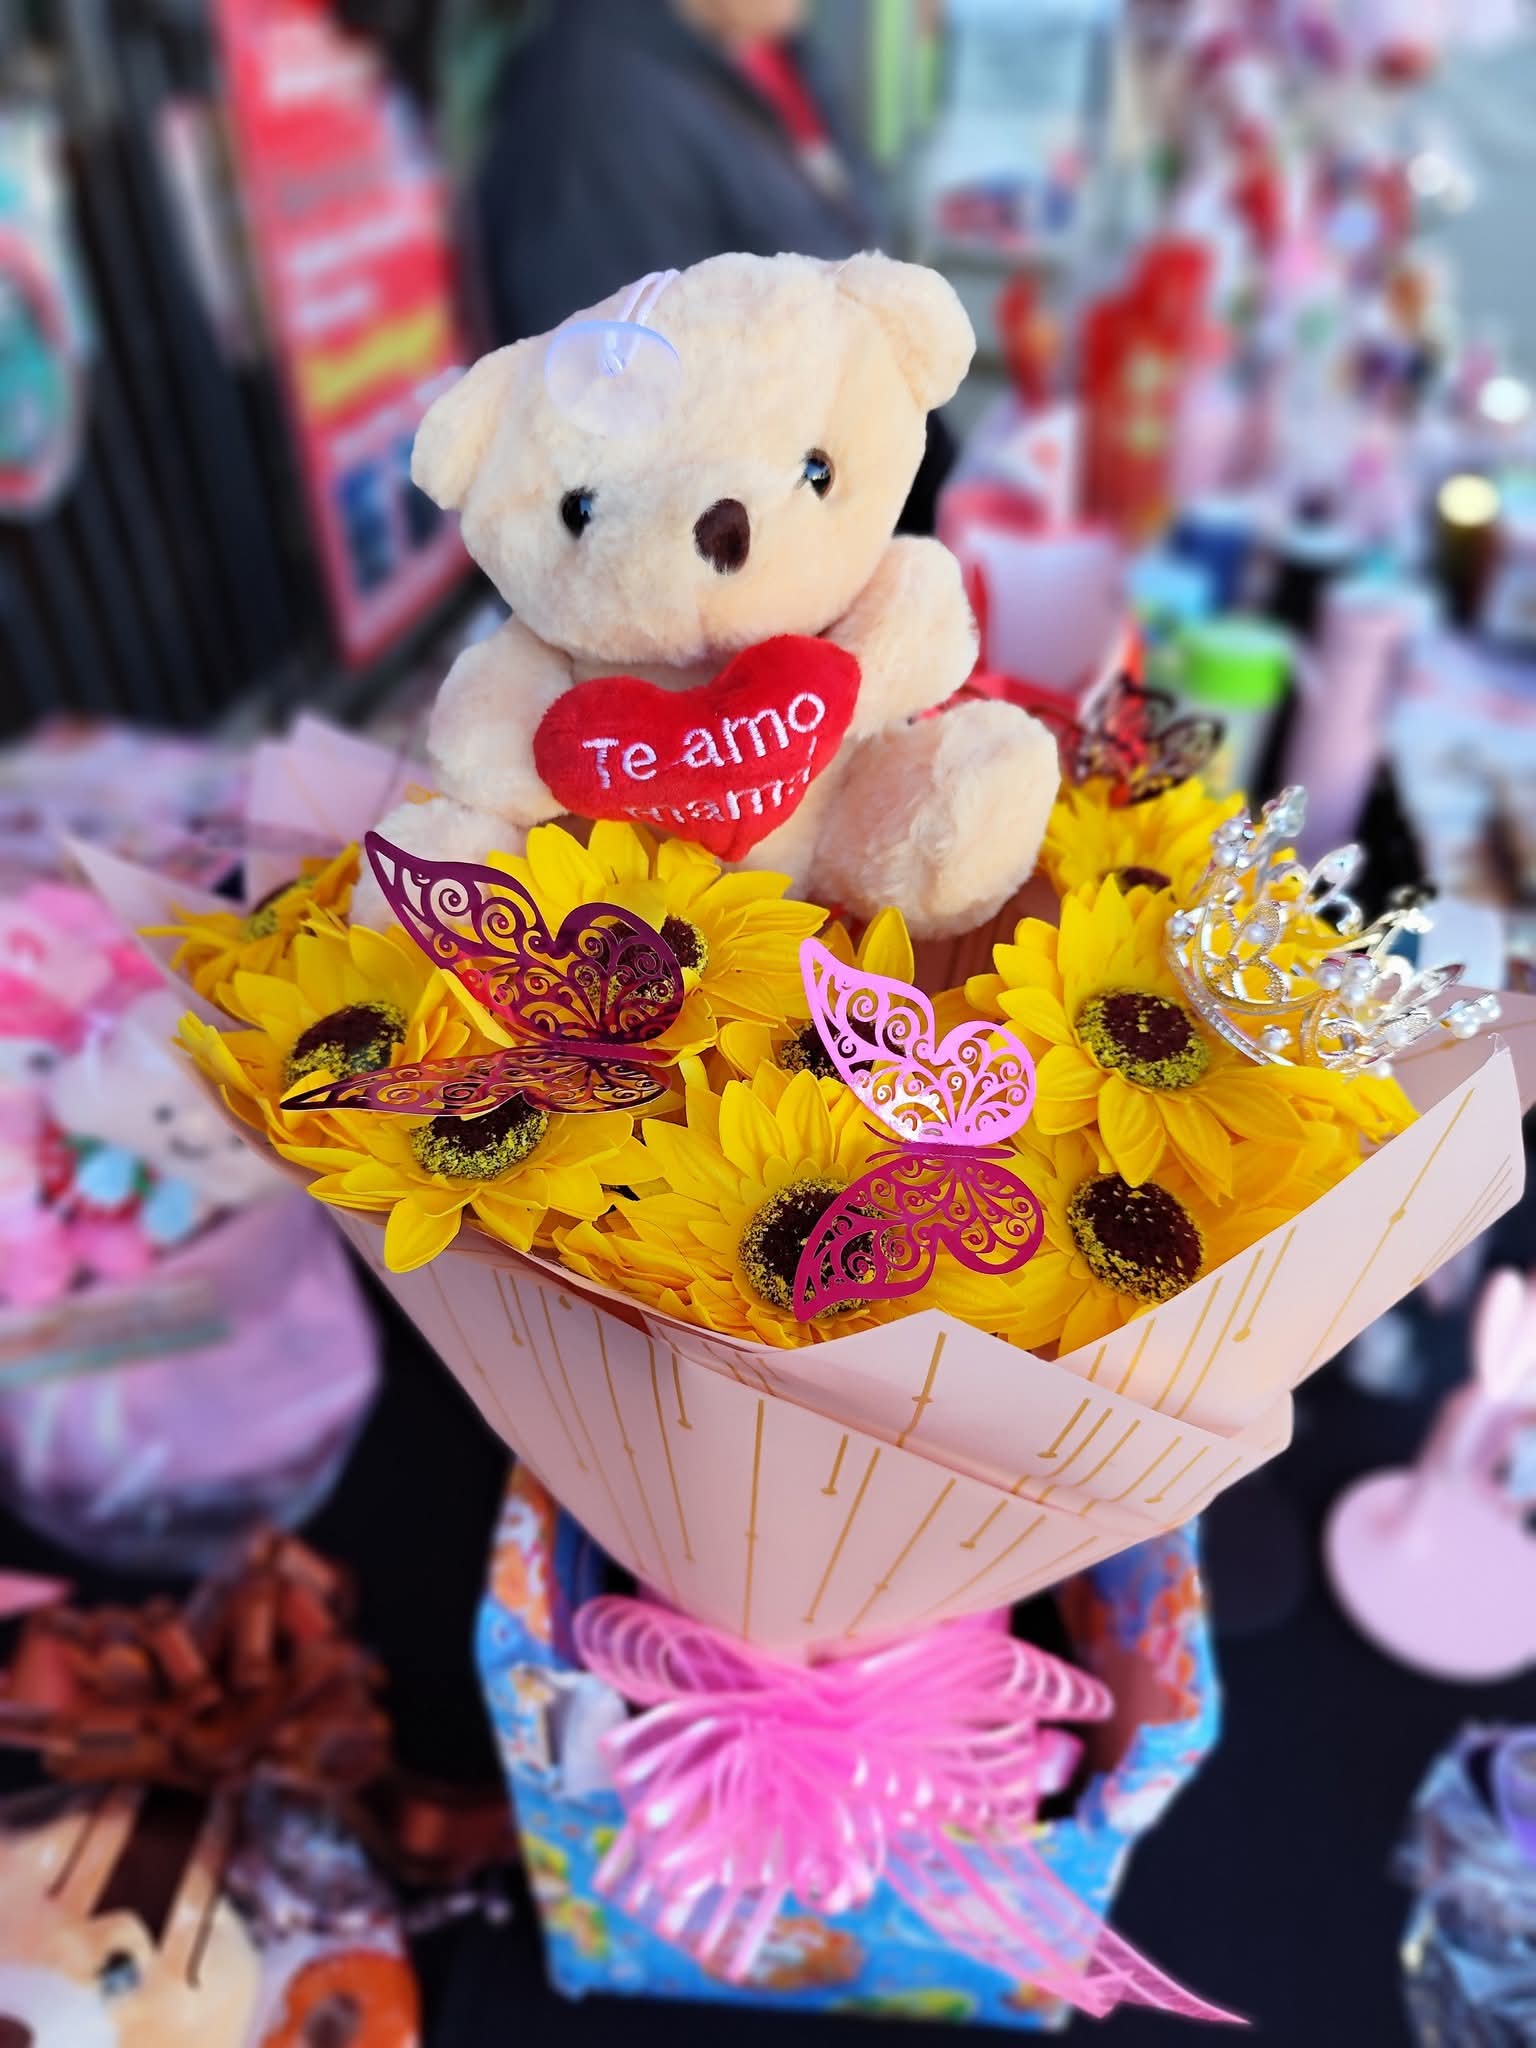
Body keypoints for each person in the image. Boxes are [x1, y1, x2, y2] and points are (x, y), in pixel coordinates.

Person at [471, 0, 952, 528]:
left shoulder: (767, 48)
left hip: (880, 477)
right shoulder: (592, 108)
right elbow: (615, 452)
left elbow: (851, 218)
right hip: (782, 539)